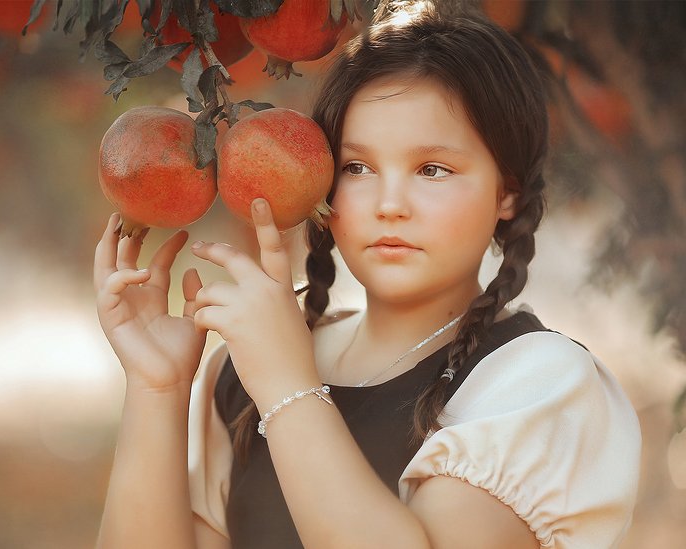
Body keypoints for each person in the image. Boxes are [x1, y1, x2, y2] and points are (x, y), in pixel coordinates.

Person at [92, 2, 641, 548]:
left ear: (508, 192)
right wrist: (157, 389)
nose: (389, 204)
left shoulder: (536, 382)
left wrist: (290, 388)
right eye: (358, 168)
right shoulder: (240, 376)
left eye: (432, 169)